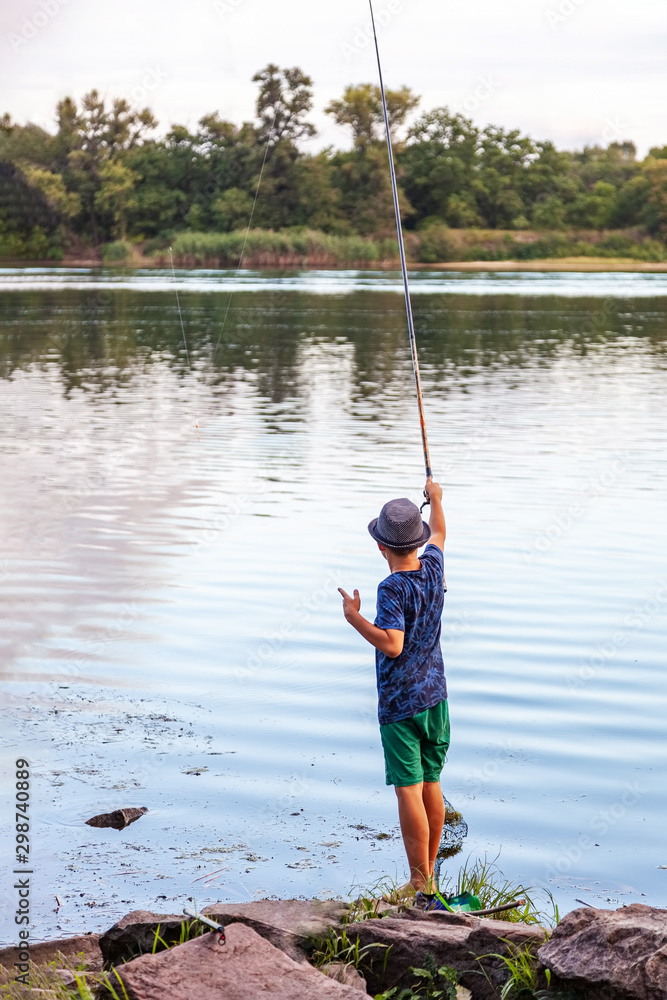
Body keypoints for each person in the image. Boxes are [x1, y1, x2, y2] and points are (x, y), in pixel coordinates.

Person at [338, 478, 448, 908]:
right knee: (432, 783)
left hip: (402, 706)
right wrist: (436, 501)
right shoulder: (434, 566)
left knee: (409, 789)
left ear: (381, 548)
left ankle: (419, 885)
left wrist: (354, 618)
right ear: (416, 543)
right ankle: (429, 878)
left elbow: (392, 643)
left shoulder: (391, 589)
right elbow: (440, 532)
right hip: (436, 699)